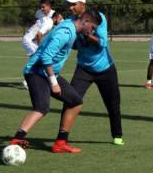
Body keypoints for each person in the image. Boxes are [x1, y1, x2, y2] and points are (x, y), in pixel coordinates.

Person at [10, 10, 102, 153]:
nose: (92, 31)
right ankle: (17, 139)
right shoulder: (65, 33)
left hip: (48, 73)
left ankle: (60, 142)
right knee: (42, 107)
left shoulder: (70, 26)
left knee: (76, 102)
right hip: (36, 72)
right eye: (93, 28)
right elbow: (46, 57)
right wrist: (54, 83)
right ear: (86, 22)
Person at [60, 0, 124, 145]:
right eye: (69, 4)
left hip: (105, 69)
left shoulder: (98, 17)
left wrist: (86, 34)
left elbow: (102, 43)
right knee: (70, 101)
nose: (70, 7)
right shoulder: (70, 21)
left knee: (113, 104)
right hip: (83, 69)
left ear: (83, 4)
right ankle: (61, 139)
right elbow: (74, 44)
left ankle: (117, 136)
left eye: (73, 4)